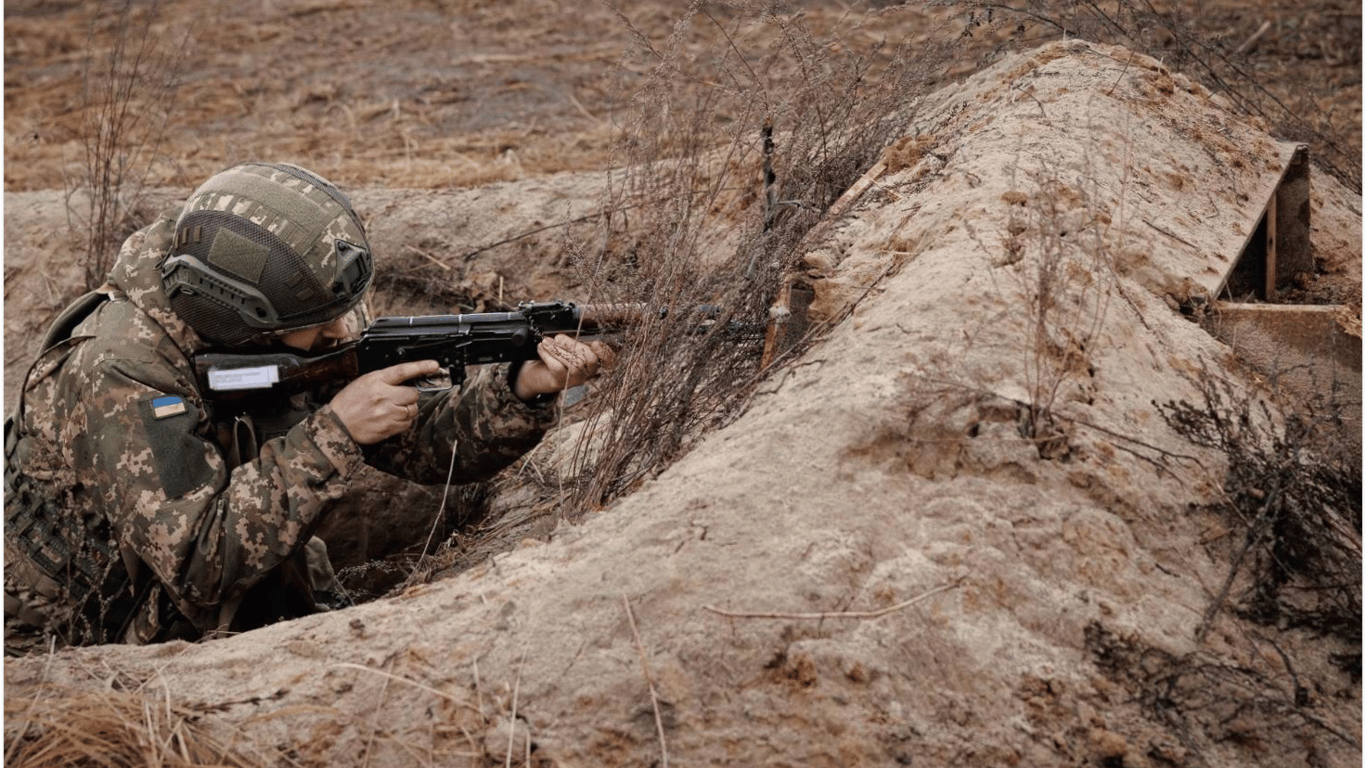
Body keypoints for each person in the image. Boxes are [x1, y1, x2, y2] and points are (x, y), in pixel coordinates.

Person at [2, 162, 612, 650]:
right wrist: (336, 432)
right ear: (245, 319)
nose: (344, 330)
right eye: (323, 324)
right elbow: (198, 566)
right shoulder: (119, 371)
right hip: (79, 633)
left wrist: (522, 388)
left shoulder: (299, 312)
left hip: (235, 583)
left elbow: (423, 446)